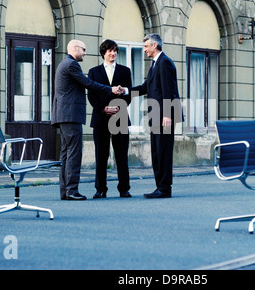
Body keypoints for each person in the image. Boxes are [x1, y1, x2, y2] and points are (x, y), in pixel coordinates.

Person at [51, 39, 123, 200]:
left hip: (64, 115)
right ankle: (72, 190)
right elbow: (88, 83)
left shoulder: (64, 64)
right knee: (74, 153)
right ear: (75, 48)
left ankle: (65, 191)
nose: (85, 52)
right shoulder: (71, 65)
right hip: (70, 115)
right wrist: (110, 89)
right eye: (83, 49)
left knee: (66, 153)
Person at [127, 33, 183, 198]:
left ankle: (164, 189)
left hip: (164, 117)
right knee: (157, 152)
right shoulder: (155, 64)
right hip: (156, 115)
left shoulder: (164, 62)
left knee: (163, 152)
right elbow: (146, 87)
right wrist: (125, 91)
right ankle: (160, 187)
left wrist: (167, 114)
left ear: (154, 46)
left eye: (146, 46)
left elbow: (168, 90)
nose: (144, 50)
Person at [88, 39, 132, 199]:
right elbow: (91, 95)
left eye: (115, 51)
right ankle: (100, 189)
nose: (113, 54)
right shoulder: (94, 72)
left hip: (120, 117)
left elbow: (128, 95)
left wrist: (118, 108)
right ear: (103, 53)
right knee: (101, 155)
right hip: (100, 118)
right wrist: (103, 108)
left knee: (122, 155)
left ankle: (124, 189)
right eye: (110, 51)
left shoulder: (125, 71)